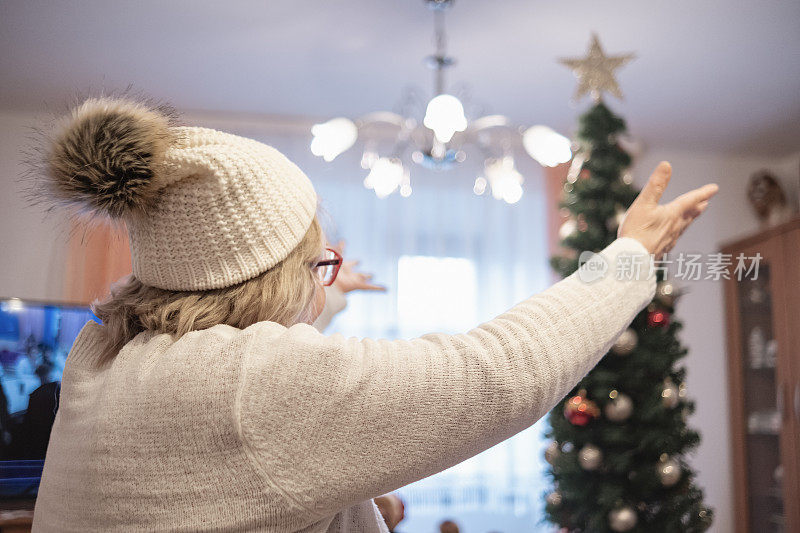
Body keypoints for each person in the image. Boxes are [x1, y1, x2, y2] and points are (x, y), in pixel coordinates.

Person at [30, 97, 717, 532]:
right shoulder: (248, 392)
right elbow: (504, 372)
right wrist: (631, 256)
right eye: (313, 267)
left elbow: (233, 433)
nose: (319, 287)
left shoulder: (100, 356)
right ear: (263, 282)